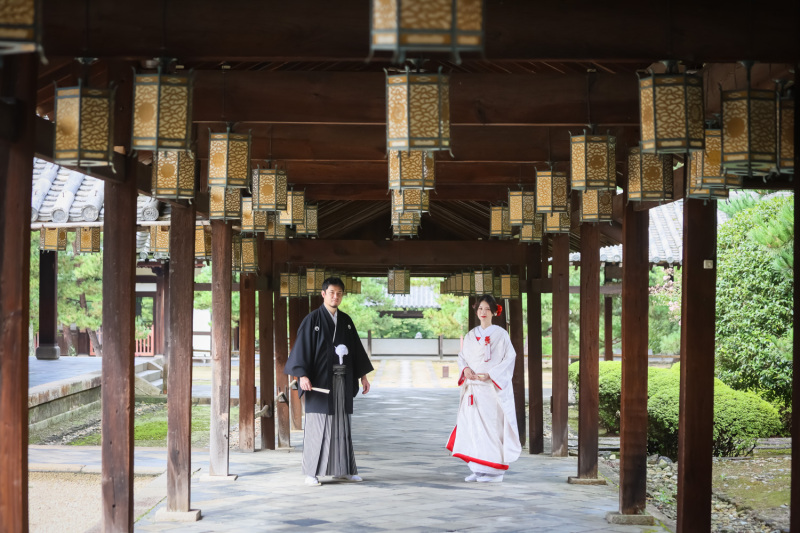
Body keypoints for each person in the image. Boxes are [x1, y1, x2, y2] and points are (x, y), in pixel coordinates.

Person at [285, 277, 374, 486]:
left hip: (343, 380)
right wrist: (302, 375)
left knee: (342, 425)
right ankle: (311, 473)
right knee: (318, 426)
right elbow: (302, 348)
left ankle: (344, 470)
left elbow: (356, 350)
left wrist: (363, 375)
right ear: (323, 294)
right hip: (319, 383)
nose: (336, 296)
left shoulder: (346, 321)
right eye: (332, 292)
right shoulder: (312, 320)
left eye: (339, 293)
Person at [446, 294, 521, 482]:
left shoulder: (501, 334)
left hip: (491, 389)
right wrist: (465, 369)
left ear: (494, 312)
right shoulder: (471, 335)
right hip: (473, 388)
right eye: (480, 309)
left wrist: (491, 374)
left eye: (487, 309)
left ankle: (494, 472)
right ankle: (478, 469)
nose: (483, 312)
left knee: (492, 429)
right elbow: (462, 357)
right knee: (473, 428)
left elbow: (509, 358)